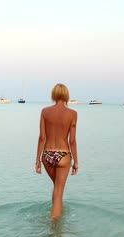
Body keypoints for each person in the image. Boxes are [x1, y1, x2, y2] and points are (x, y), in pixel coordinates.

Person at [35, 83, 78, 220]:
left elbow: (42, 137)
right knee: (59, 192)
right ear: (66, 96)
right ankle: (55, 229)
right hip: (63, 155)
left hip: (47, 155)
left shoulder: (45, 111)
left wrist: (37, 160)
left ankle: (57, 212)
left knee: (56, 188)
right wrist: (76, 161)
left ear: (53, 95)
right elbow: (72, 141)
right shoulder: (72, 114)